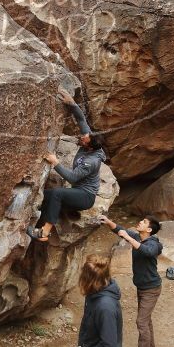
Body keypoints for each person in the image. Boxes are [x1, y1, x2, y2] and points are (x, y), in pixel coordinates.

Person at [27, 88, 106, 242]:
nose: (82, 137)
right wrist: (72, 103)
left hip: (85, 197)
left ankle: (44, 233)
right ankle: (37, 225)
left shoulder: (92, 161)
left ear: (89, 147)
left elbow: (73, 178)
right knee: (45, 196)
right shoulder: (89, 140)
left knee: (57, 193)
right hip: (77, 191)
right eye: (84, 136)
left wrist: (55, 162)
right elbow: (81, 120)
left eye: (84, 139)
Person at [100, 215, 163, 347]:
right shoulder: (138, 237)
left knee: (141, 321)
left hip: (151, 289)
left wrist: (128, 237)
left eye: (144, 222)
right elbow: (121, 230)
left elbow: (147, 252)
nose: (140, 221)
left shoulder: (154, 244)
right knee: (146, 320)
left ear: (149, 229)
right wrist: (109, 222)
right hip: (142, 287)